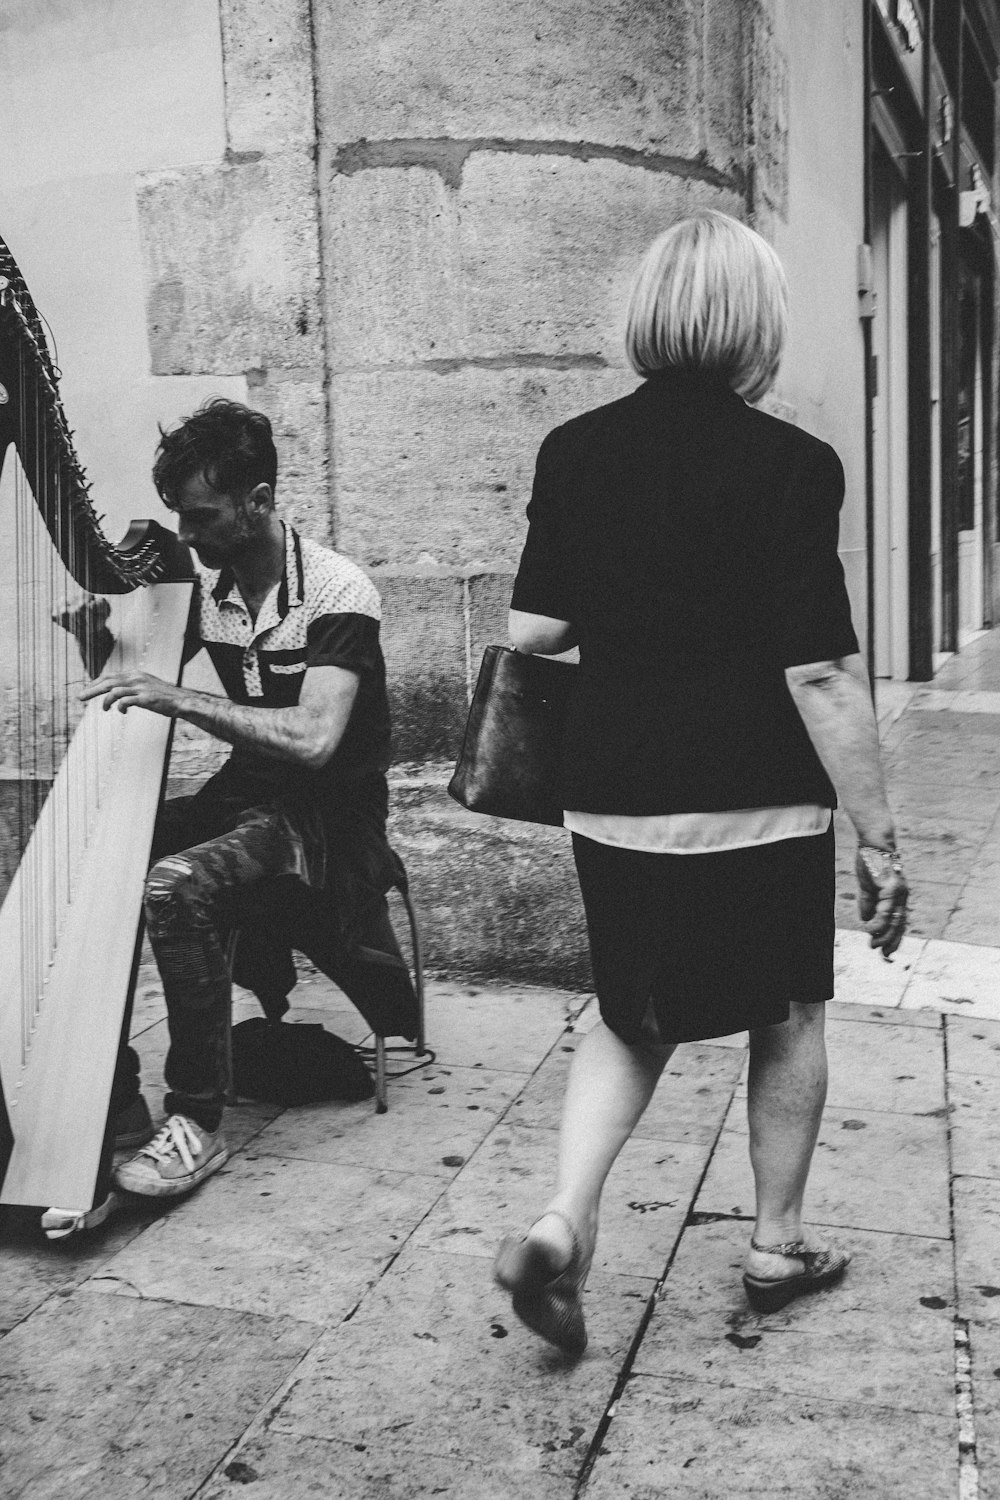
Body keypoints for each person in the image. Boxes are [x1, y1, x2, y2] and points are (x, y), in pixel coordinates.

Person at [492, 211, 909, 1358]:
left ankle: (561, 1220)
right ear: (753, 322)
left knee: (631, 1014)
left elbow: (533, 625)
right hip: (757, 793)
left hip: (614, 787)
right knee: (786, 1013)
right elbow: (818, 669)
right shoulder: (793, 463)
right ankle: (777, 1243)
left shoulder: (573, 450)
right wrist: (878, 836)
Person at [77, 398, 398, 1201]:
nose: (185, 536)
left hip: (327, 822)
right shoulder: (212, 589)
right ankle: (107, 1098)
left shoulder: (336, 590)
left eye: (200, 517)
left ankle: (194, 1120)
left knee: (173, 886)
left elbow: (316, 740)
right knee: (108, 851)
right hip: (250, 801)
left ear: (258, 502)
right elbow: (137, 672)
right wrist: (91, 643)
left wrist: (181, 699)